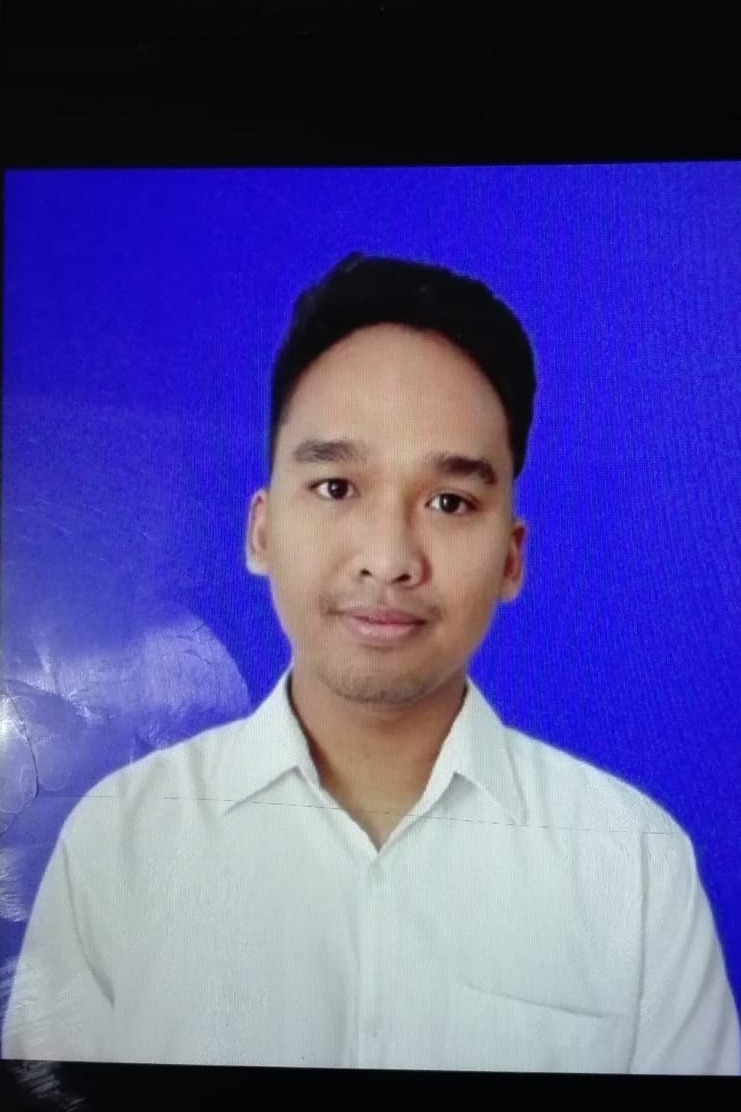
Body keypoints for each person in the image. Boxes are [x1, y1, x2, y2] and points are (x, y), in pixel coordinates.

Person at [2, 253, 739, 1073]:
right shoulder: (117, 840)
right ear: (261, 530)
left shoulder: (633, 865)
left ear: (511, 557)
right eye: (335, 487)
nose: (387, 559)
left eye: (449, 502)